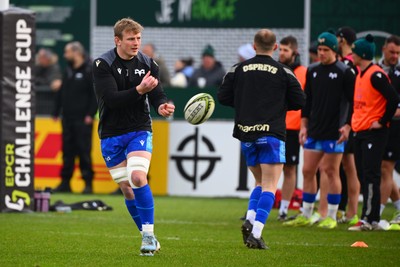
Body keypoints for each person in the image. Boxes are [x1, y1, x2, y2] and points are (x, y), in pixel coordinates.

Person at [92, 18, 175, 255]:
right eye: (131, 39)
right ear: (118, 40)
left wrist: (161, 106)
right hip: (110, 134)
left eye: (138, 38)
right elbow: (111, 100)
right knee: (127, 189)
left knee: (138, 177)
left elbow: (158, 94)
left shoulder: (149, 63)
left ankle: (148, 236)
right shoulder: (102, 64)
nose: (136, 43)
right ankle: (148, 236)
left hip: (139, 128)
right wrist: (140, 90)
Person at [218, 29, 305, 249]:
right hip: (272, 133)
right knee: (269, 185)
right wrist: (279, 104)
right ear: (275, 47)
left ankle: (249, 217)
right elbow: (300, 100)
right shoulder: (284, 71)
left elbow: (223, 96)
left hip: (246, 133)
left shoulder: (238, 69)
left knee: (258, 181)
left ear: (254, 46)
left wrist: (245, 103)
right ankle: (256, 232)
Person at [284, 32, 355, 229]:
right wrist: (304, 126)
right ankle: (306, 212)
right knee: (307, 171)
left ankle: (331, 216)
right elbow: (308, 102)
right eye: (320, 50)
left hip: (335, 131)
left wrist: (348, 125)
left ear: (335, 50)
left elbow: (352, 103)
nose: (321, 53)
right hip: (314, 130)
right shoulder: (313, 70)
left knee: (331, 171)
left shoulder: (345, 71)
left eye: (325, 50)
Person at [348, 34, 399, 231]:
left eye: (354, 52)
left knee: (371, 175)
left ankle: (368, 219)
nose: (352, 55)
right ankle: (373, 218)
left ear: (361, 54)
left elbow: (393, 98)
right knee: (364, 175)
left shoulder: (376, 74)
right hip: (360, 131)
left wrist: (382, 121)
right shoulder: (360, 72)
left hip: (373, 133)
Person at [52, 41, 97, 194]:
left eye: (67, 52)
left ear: (76, 53)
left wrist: (90, 115)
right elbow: (62, 92)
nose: (65, 55)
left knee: (84, 151)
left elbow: (95, 95)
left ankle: (88, 184)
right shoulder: (69, 70)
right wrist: (56, 111)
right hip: (68, 118)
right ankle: (65, 182)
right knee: (67, 151)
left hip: (83, 119)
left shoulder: (89, 70)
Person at [277, 35, 307, 221]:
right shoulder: (276, 69)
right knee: (267, 168)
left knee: (289, 169)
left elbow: (305, 100)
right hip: (274, 125)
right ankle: (255, 208)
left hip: (293, 127)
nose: (281, 53)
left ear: (294, 52)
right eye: (280, 49)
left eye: (285, 50)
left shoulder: (303, 72)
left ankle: (283, 210)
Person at [334, 26, 360, 225]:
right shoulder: (344, 61)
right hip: (343, 119)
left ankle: (352, 211)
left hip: (350, 121)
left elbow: (354, 96)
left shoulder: (352, 62)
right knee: (342, 166)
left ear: (341, 40)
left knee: (349, 167)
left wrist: (349, 122)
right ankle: (343, 210)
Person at [377, 35, 400, 223]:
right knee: (381, 170)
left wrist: (389, 112)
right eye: (392, 52)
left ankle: (376, 215)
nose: (395, 56)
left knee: (386, 169)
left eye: (398, 53)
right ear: (384, 49)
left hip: (394, 127)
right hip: (378, 127)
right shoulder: (376, 70)